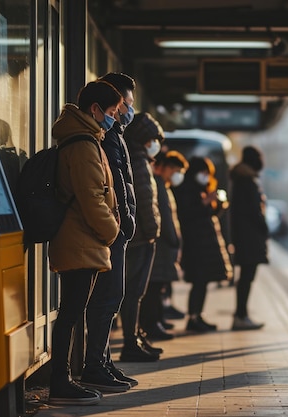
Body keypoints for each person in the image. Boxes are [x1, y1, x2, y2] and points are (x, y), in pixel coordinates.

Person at [46, 81, 122, 406]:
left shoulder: (88, 140)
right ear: (94, 109)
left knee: (73, 311)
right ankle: (60, 382)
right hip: (80, 240)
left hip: (82, 239)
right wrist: (113, 231)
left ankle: (64, 379)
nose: (114, 118)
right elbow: (92, 198)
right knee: (70, 313)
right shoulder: (82, 145)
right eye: (112, 112)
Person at [79, 73, 138, 393]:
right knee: (105, 299)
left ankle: (103, 361)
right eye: (122, 106)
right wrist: (119, 225)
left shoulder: (114, 134)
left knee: (111, 298)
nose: (125, 112)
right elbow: (105, 187)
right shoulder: (101, 136)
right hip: (108, 231)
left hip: (117, 229)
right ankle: (94, 365)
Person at [120, 112, 163, 362]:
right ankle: (130, 341)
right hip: (140, 236)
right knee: (133, 292)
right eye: (152, 140)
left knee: (135, 292)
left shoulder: (137, 159)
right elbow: (145, 200)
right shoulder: (138, 161)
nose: (155, 144)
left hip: (140, 234)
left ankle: (134, 336)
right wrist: (152, 229)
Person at [174, 156, 232, 332]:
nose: (206, 176)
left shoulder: (202, 189)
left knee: (203, 281)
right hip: (195, 244)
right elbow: (187, 215)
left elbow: (208, 215)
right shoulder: (187, 190)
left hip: (205, 244)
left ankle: (198, 315)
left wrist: (218, 205)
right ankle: (193, 317)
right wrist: (205, 202)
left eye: (208, 173)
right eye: (203, 172)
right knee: (199, 281)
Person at [139, 151, 188, 340]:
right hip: (162, 245)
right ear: (166, 167)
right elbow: (166, 219)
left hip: (164, 246)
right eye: (175, 170)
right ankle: (152, 324)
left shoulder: (163, 185)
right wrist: (174, 240)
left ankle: (155, 321)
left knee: (157, 287)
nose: (176, 175)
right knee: (154, 287)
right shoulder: (158, 184)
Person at [229, 146, 268, 331]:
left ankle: (241, 314)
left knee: (245, 277)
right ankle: (241, 315)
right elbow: (254, 212)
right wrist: (265, 228)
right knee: (246, 278)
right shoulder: (248, 182)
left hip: (243, 236)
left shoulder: (240, 180)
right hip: (250, 237)